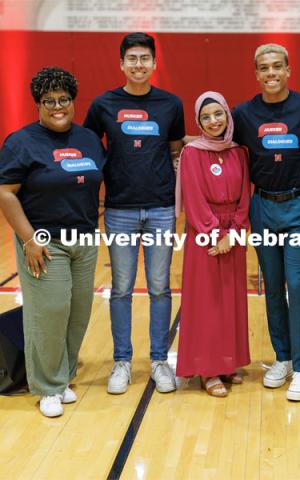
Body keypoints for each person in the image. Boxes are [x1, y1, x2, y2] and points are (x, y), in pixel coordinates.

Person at [84, 32, 185, 395]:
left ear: (154, 63)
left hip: (160, 209)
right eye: (132, 58)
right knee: (122, 289)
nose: (139, 64)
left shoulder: (171, 104)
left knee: (160, 288)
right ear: (122, 63)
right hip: (119, 210)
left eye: (145, 58)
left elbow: (174, 150)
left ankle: (159, 360)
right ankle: (122, 361)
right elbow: (87, 146)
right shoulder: (103, 104)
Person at [0, 67, 105, 417]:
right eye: (49, 101)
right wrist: (28, 239)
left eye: (64, 100)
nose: (58, 107)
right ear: (39, 105)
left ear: (73, 102)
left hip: (84, 237)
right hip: (43, 240)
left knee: (77, 313)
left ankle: (63, 376)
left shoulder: (88, 139)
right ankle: (46, 387)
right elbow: (6, 193)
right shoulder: (21, 142)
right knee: (50, 312)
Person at [232, 44, 300, 401]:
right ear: (256, 73)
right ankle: (283, 358)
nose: (270, 73)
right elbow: (220, 146)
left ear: (288, 69)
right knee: (272, 287)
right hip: (263, 207)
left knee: (298, 287)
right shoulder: (242, 114)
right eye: (263, 68)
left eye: (276, 66)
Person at [175, 91, 250, 397]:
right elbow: (193, 198)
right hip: (204, 234)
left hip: (233, 232)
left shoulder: (240, 152)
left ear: (227, 116)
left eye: (218, 114)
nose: (213, 121)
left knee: (231, 300)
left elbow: (245, 195)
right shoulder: (192, 153)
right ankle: (207, 370)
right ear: (198, 122)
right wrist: (213, 233)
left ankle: (227, 362)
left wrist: (234, 232)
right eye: (205, 117)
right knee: (207, 303)